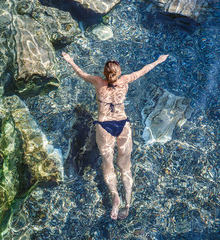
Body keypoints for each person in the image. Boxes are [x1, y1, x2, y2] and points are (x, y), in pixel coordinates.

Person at [62, 52, 168, 220]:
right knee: (125, 166)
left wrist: (70, 60)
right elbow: (143, 71)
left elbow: (81, 73)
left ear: (105, 73)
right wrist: (158, 60)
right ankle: (127, 204)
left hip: (104, 125)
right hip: (122, 124)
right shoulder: (125, 80)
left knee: (107, 161)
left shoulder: (98, 81)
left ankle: (114, 195)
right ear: (118, 73)